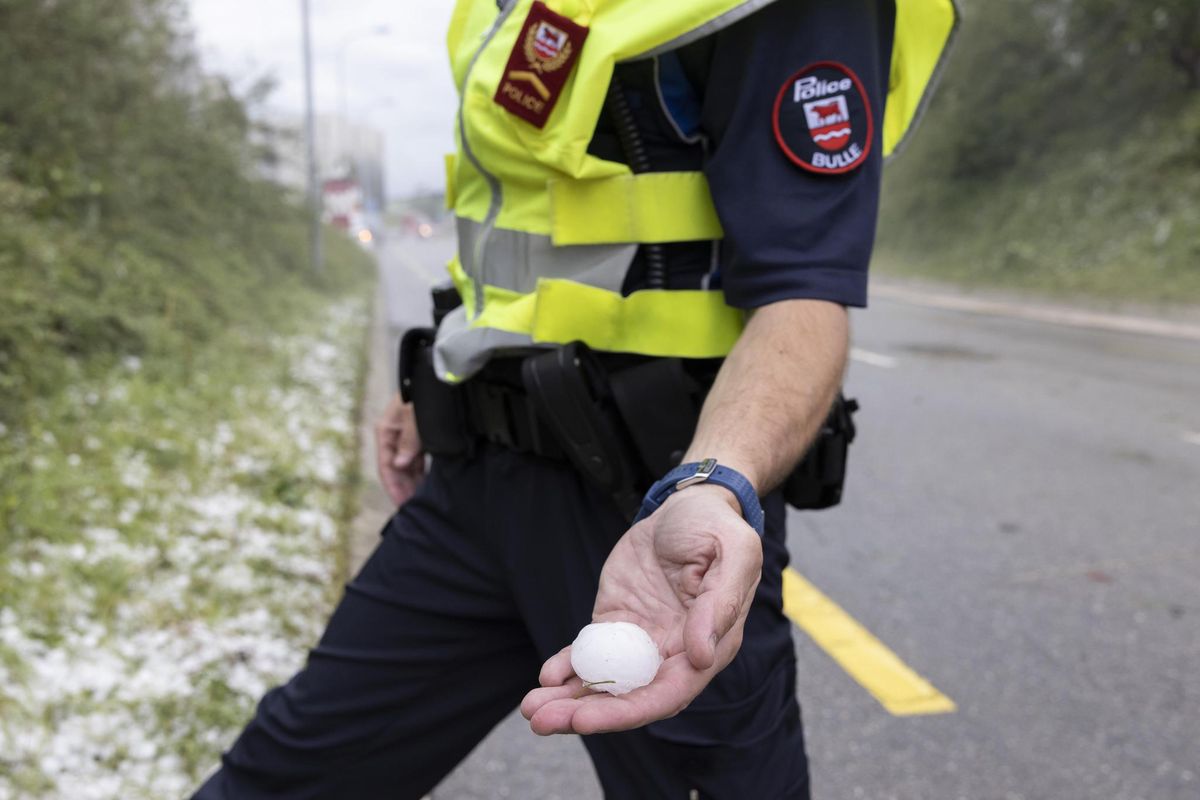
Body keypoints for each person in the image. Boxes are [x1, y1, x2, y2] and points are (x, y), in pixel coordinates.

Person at [193, 0, 956, 796]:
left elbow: (804, 299)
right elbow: (517, 233)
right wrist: (447, 363)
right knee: (276, 778)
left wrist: (711, 483)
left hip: (652, 515)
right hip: (473, 485)